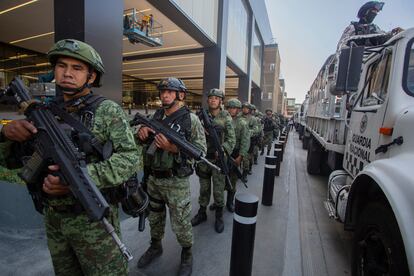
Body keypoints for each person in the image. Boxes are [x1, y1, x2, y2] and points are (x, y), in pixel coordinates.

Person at [0, 39, 140, 275]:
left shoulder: (107, 111)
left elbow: (130, 158)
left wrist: (80, 178)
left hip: (93, 222)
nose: (67, 73)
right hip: (55, 220)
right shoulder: (44, 112)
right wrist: (5, 134)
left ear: (91, 76)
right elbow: (10, 161)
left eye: (77, 68)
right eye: (62, 66)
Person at [136, 77, 206, 276]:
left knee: (181, 221)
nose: (164, 95)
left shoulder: (190, 119)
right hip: (153, 178)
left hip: (176, 181)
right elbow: (139, 136)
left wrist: (172, 148)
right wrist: (141, 132)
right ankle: (155, 246)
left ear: (180, 95)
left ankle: (187, 253)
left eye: (169, 92)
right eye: (162, 92)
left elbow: (200, 150)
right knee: (155, 218)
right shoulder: (156, 115)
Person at [191, 88, 235, 233]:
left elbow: (231, 139)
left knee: (218, 191)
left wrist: (223, 150)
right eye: (211, 98)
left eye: (216, 98)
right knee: (204, 189)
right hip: (203, 158)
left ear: (221, 101)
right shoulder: (200, 116)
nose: (213, 100)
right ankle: (202, 213)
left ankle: (219, 216)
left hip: (217, 161)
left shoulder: (226, 117)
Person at [336, 1, 403, 50]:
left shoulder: (375, 28)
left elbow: (384, 38)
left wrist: (394, 33)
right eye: (374, 11)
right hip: (355, 61)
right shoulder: (353, 27)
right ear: (366, 11)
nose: (375, 14)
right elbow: (341, 46)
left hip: (373, 62)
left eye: (377, 12)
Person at [223, 98, 250, 212]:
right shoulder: (222, 120)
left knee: (232, 181)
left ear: (238, 110)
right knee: (219, 180)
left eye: (234, 108)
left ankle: (230, 202)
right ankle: (218, 201)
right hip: (223, 154)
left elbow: (245, 141)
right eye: (229, 107)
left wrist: (240, 157)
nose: (231, 110)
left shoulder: (242, 123)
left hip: (235, 154)